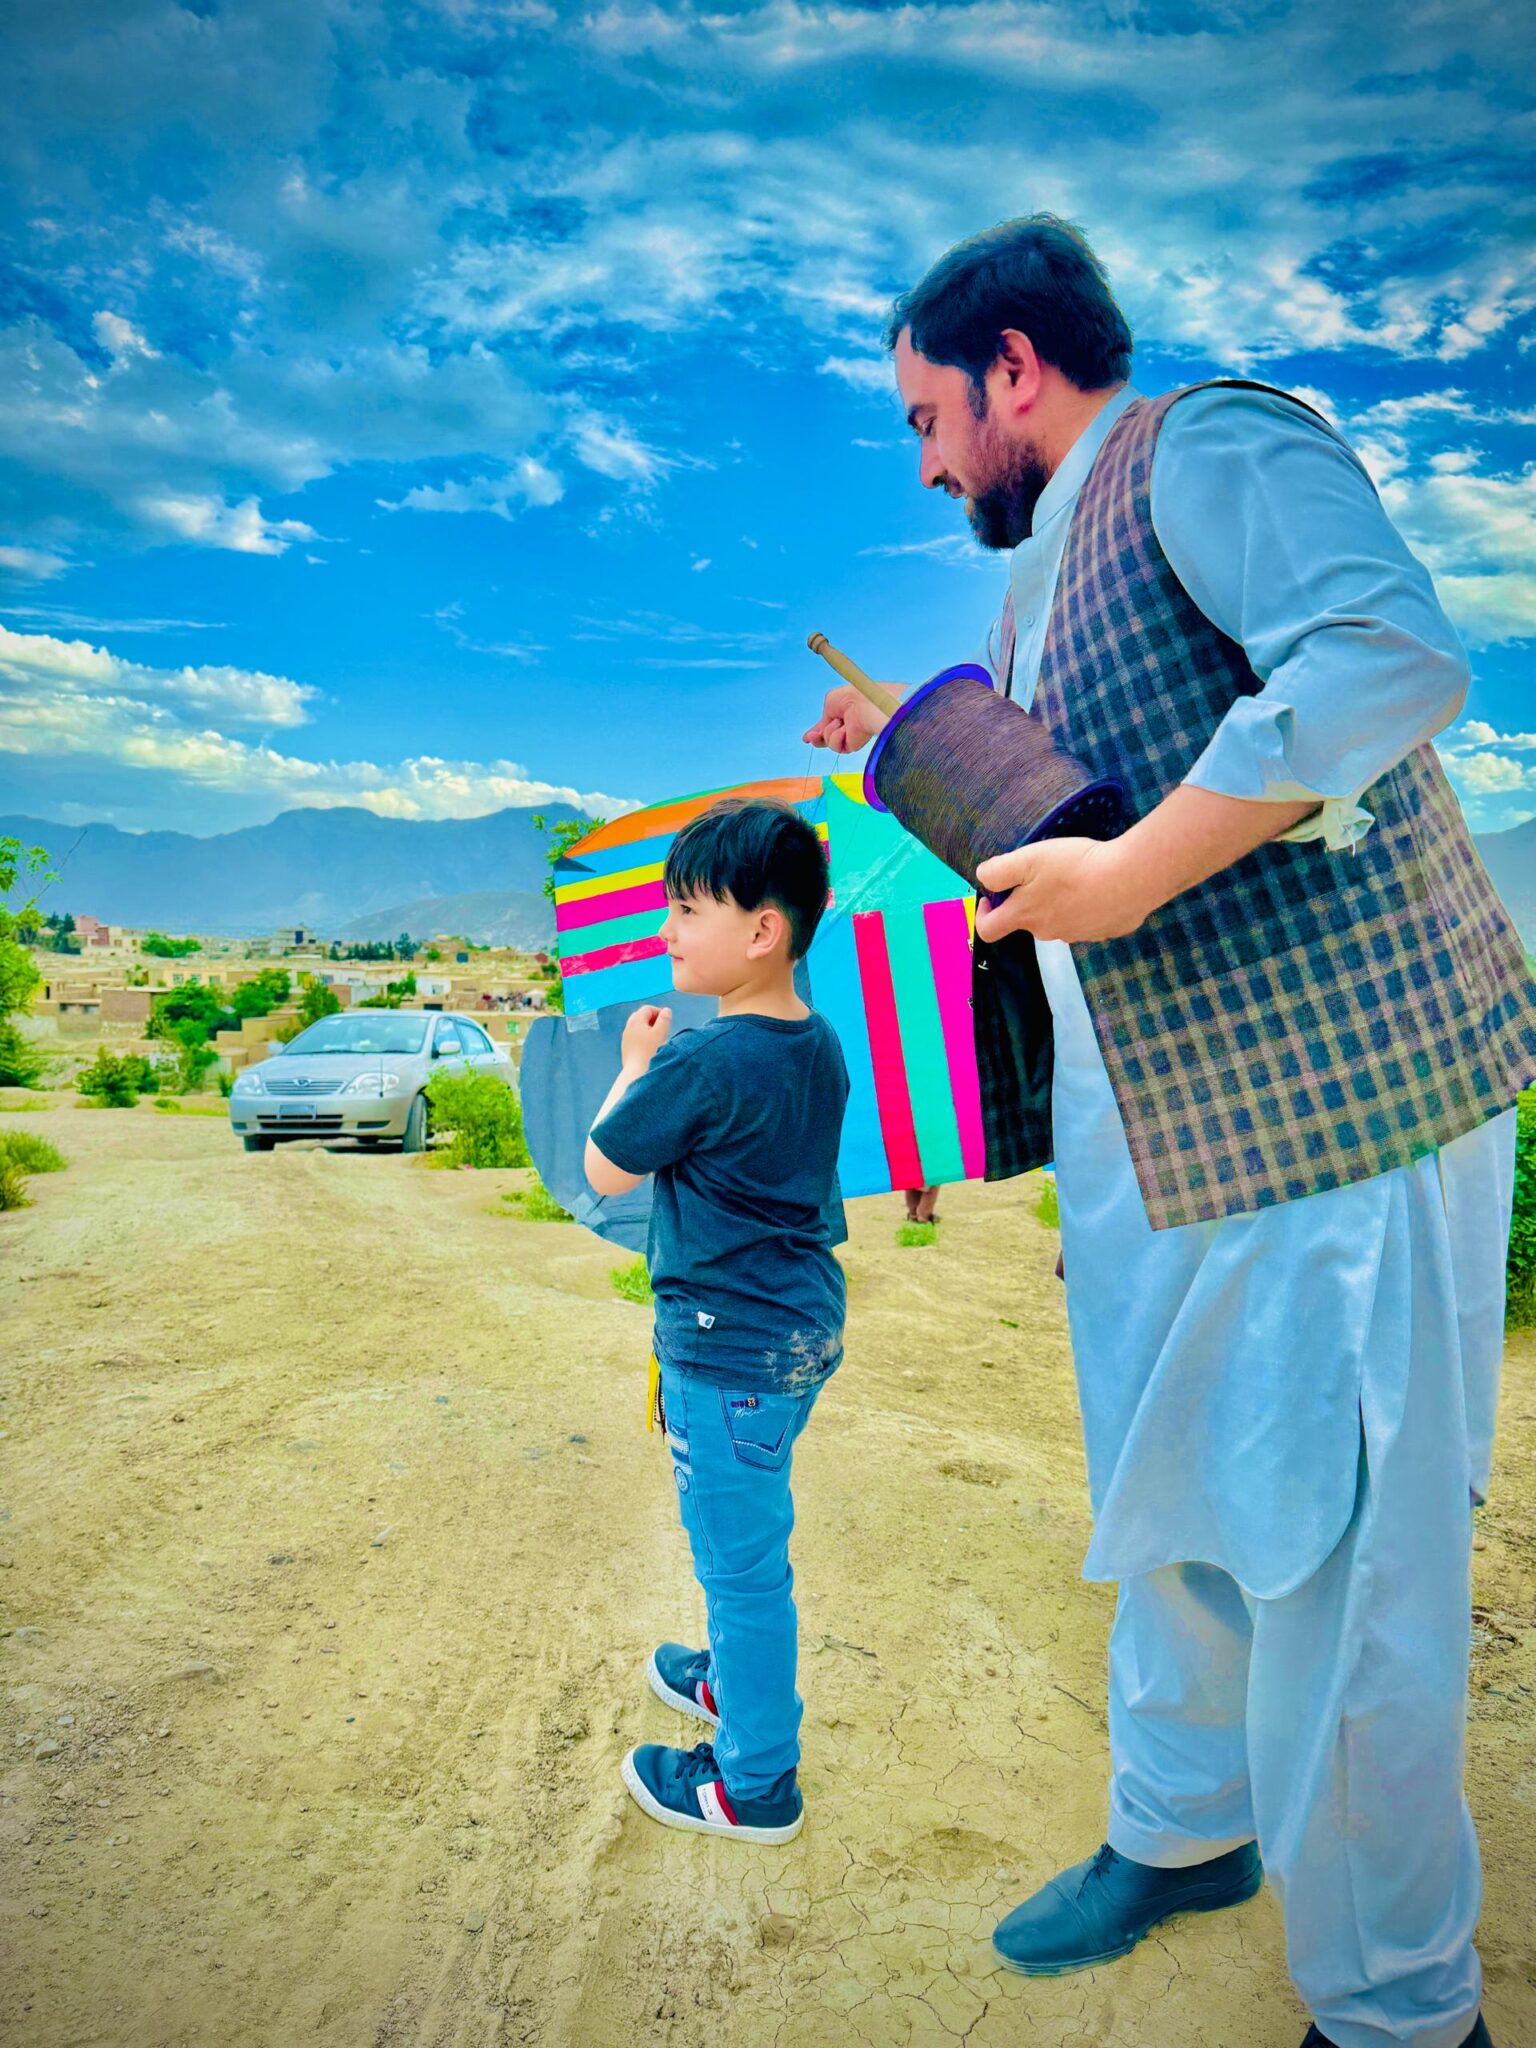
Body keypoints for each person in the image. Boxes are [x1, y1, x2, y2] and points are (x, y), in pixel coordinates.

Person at [805, 215, 1534, 2048]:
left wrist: (1125, 873)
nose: (924, 456)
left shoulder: (1209, 444)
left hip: (1341, 1114)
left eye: (924, 416)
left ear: (1014, 371)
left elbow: (1383, 657)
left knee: (1343, 1554)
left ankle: (1397, 2007)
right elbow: (1081, 798)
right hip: (1163, 1145)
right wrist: (909, 739)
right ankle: (1186, 1827)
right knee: (1179, 1495)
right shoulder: (1028, 589)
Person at [584, 797, 850, 1845]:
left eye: (687, 909)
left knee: (741, 1568)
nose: (667, 932)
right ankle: (731, 1677)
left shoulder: (699, 1060)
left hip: (727, 1345)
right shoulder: (815, 1038)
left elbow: (606, 1161)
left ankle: (755, 1781)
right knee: (747, 1530)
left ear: (762, 930)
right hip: (797, 1329)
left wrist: (636, 1062)